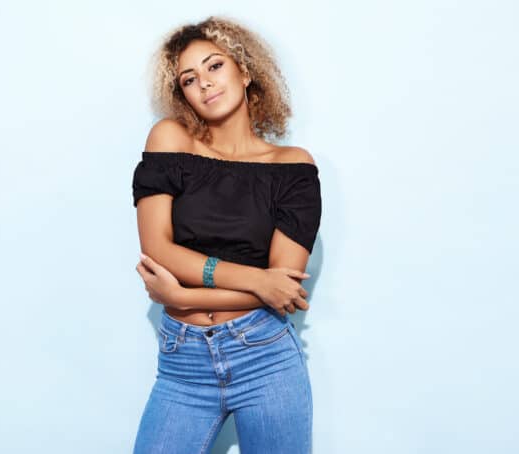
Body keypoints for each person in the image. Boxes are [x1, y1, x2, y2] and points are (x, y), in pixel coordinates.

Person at [131, 16, 322, 454]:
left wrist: (182, 297)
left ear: (245, 70)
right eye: (189, 79)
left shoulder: (291, 166)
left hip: (265, 357)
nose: (205, 84)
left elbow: (284, 289)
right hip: (183, 365)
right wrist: (257, 279)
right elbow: (158, 250)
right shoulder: (171, 140)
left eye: (215, 66)